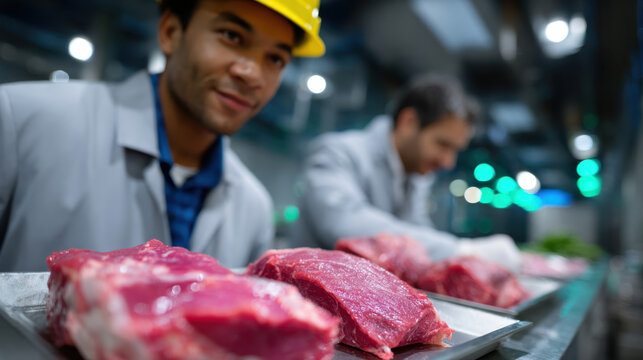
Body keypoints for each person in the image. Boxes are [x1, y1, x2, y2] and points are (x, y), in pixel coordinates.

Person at [0, 0, 325, 271]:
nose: (251, 73)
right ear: (170, 32)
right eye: (232, 36)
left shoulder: (253, 207)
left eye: (275, 59)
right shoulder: (23, 121)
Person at [292, 74, 522, 271]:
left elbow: (419, 236)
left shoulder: (414, 178)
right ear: (409, 122)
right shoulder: (338, 152)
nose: (448, 162)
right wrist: (462, 250)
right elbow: (345, 223)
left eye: (455, 151)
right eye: (443, 144)